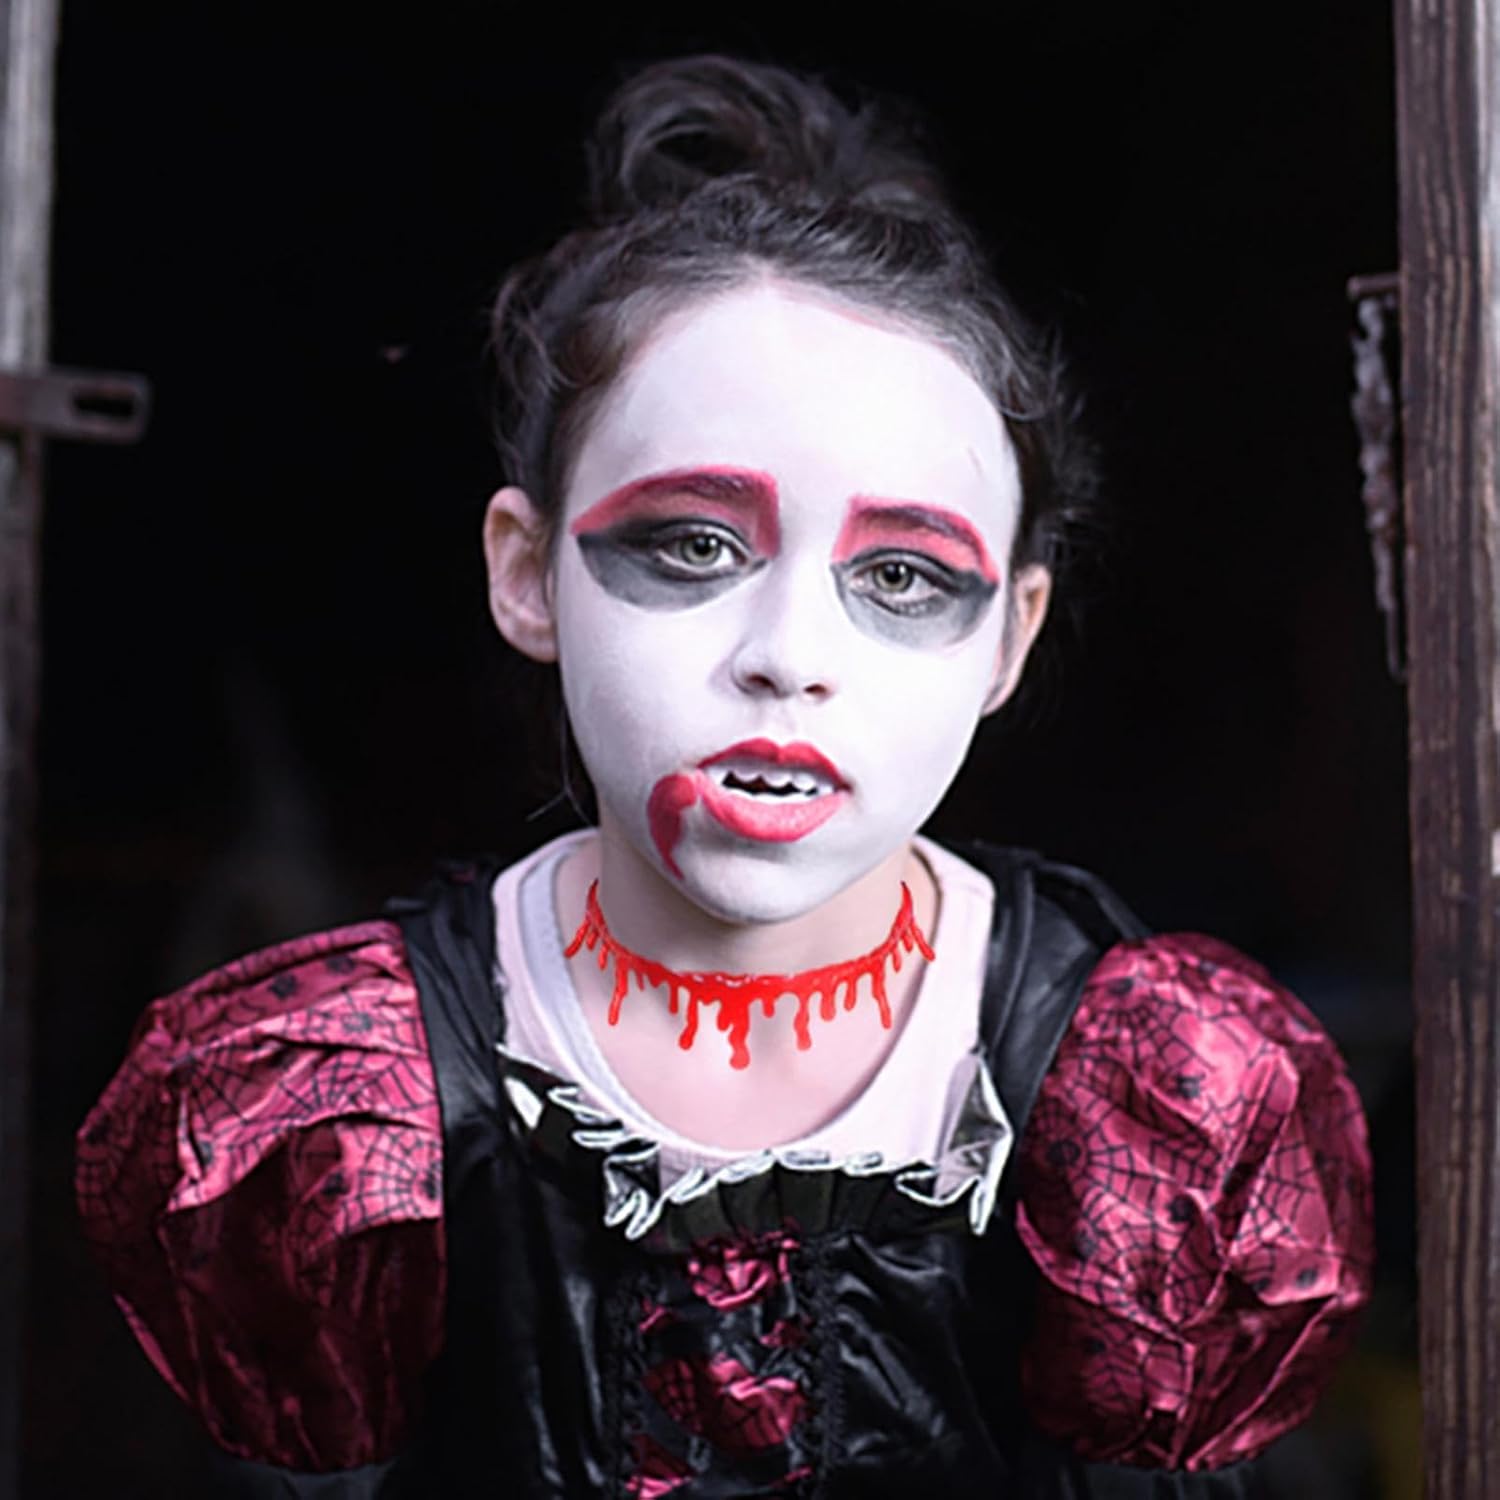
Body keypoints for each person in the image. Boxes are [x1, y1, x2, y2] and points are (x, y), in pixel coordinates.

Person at [76, 55, 1372, 1498]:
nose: (786, 658)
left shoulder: (1150, 1095)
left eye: (901, 574)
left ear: (1011, 636)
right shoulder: (343, 1105)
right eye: (695, 545)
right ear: (526, 572)